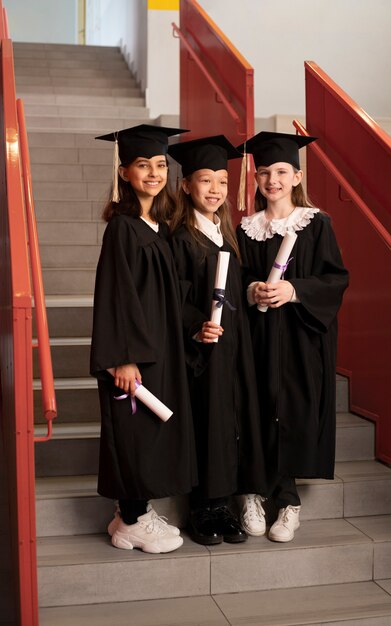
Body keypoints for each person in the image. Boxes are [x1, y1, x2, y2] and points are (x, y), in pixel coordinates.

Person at [235, 132, 349, 542]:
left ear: (297, 176)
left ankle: (287, 502)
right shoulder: (246, 229)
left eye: (282, 171)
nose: (272, 180)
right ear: (256, 179)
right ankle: (251, 492)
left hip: (300, 337)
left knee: (292, 408)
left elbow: (335, 278)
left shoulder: (316, 224)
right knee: (256, 406)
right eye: (264, 172)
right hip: (258, 336)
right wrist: (252, 291)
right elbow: (236, 279)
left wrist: (294, 290)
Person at [90, 124, 197, 554]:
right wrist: (124, 357)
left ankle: (129, 511)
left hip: (160, 347)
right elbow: (116, 294)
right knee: (133, 432)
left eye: (159, 165)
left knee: (149, 433)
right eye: (142, 165)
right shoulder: (122, 227)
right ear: (124, 172)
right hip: (134, 353)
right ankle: (132, 520)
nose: (153, 173)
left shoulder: (159, 225)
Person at [168, 135, 267, 546]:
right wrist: (195, 326)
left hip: (234, 345)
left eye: (222, 182)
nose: (214, 190)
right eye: (205, 180)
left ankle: (225, 503)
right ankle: (202, 508)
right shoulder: (179, 237)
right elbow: (174, 295)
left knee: (231, 420)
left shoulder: (226, 234)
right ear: (186, 185)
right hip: (202, 350)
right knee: (206, 420)